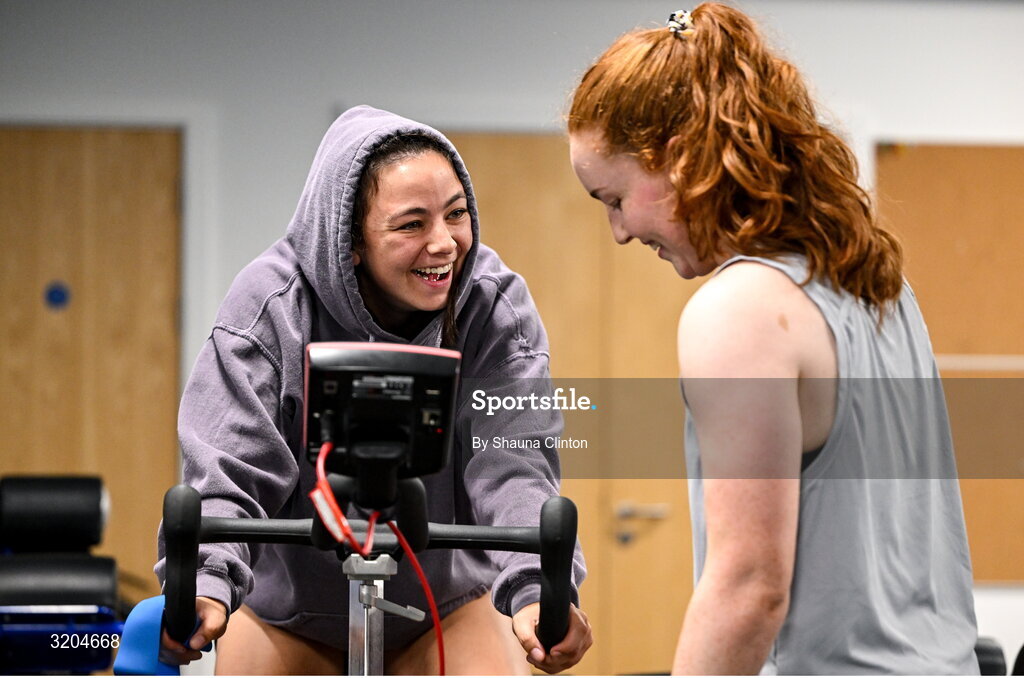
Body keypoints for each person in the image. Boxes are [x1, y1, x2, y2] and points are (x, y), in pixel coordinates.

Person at [567, 4, 978, 675]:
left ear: (675, 157)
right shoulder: (873, 281)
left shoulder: (738, 311)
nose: (618, 231)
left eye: (613, 198)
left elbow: (749, 590)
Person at [155, 105, 592, 675]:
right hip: (288, 615)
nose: (444, 245)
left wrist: (539, 588)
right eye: (412, 224)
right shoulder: (271, 306)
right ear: (350, 240)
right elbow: (230, 462)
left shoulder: (491, 305)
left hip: (443, 606)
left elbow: (511, 462)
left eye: (456, 215)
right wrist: (207, 579)